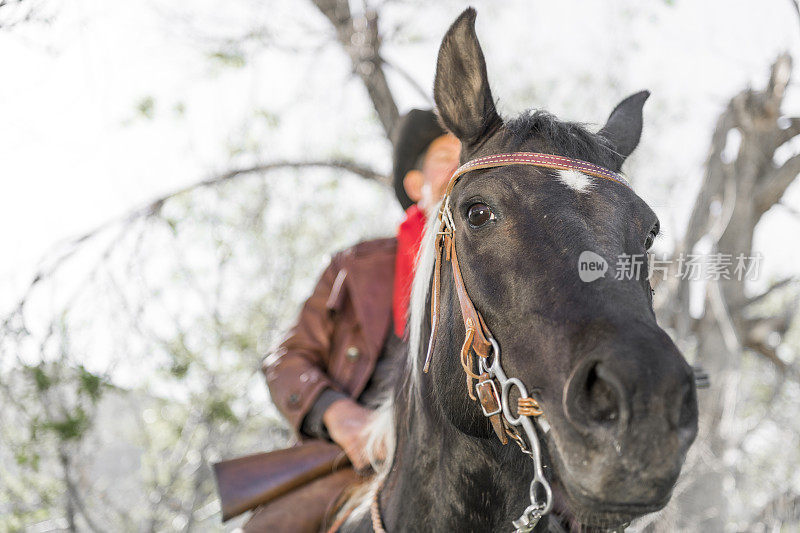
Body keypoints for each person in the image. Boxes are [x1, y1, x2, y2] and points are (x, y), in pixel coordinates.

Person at [244, 110, 459, 532]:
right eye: (447, 155)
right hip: (356, 464)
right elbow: (288, 359)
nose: (463, 164)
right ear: (416, 185)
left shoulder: (505, 266)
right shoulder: (354, 267)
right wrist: (336, 414)